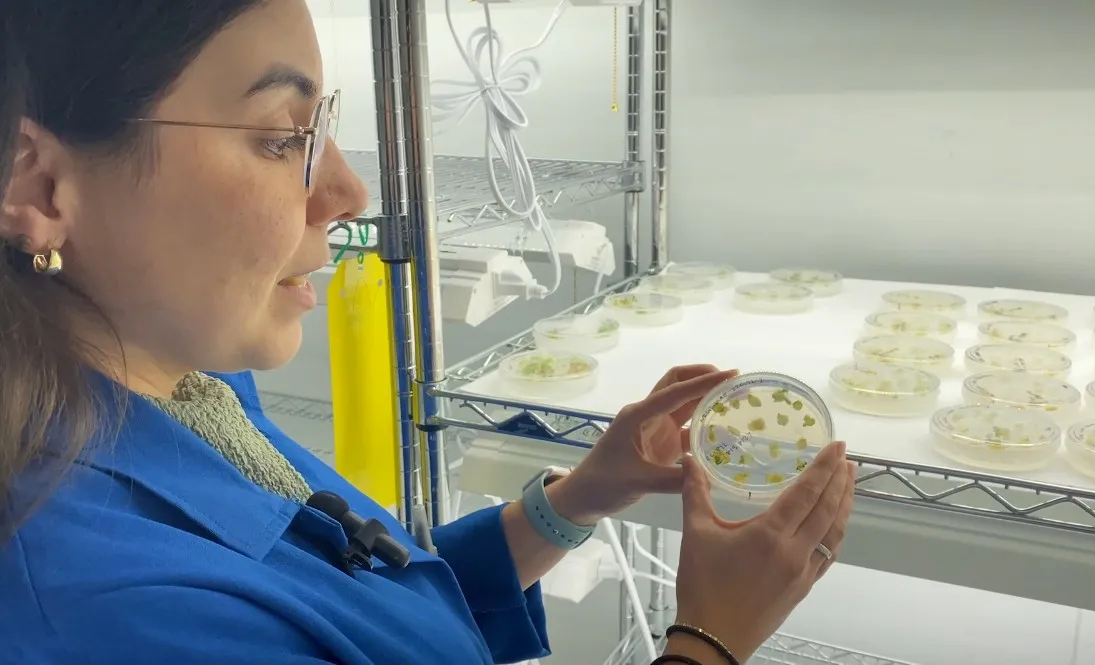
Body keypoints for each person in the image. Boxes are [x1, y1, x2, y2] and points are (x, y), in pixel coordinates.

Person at [0, 3, 856, 665]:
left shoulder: (183, 385)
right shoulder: (112, 613)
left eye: (321, 128)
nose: (346, 190)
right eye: (280, 139)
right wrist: (710, 637)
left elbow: (366, 606)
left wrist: (579, 498)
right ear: (42, 189)